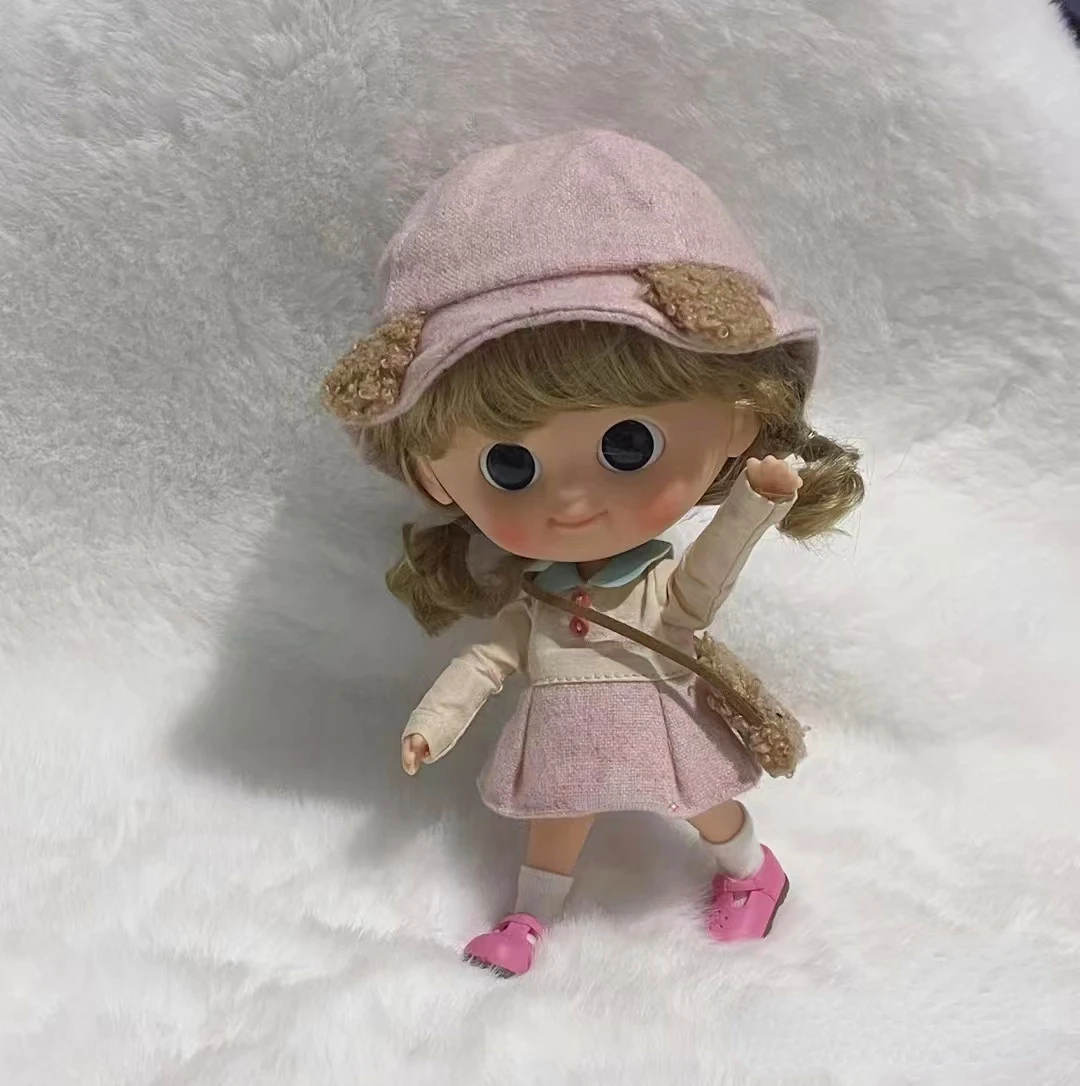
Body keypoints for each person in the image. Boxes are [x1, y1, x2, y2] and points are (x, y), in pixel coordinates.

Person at [323, 130, 864, 977]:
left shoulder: (653, 585)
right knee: (556, 820)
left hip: (661, 715)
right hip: (565, 733)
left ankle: (753, 872)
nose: (573, 503)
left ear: (738, 419)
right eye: (509, 466)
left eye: (628, 445)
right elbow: (487, 663)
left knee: (707, 805)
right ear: (433, 475)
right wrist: (432, 725)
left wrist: (755, 503)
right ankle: (529, 919)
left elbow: (703, 581)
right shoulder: (533, 601)